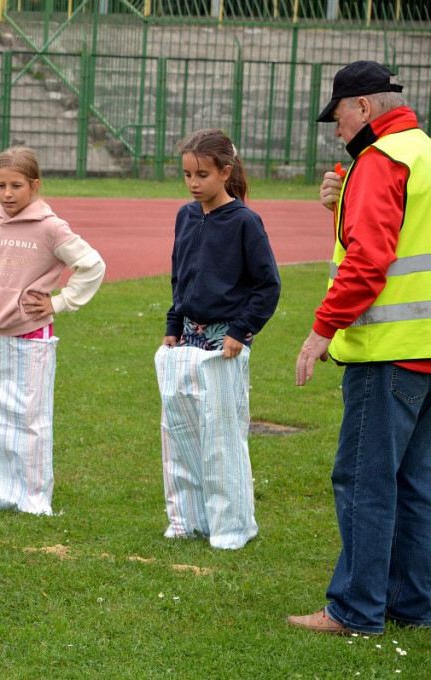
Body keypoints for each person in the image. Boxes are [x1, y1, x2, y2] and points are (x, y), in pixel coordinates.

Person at [288, 61, 431, 636]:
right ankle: (411, 603)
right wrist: (343, 199)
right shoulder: (420, 151)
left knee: (364, 480)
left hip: (384, 351)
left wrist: (322, 328)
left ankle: (355, 609)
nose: (337, 129)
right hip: (423, 350)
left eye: (340, 117)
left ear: (364, 109)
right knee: (414, 484)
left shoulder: (380, 162)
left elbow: (370, 261)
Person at [0, 146, 106, 515]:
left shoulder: (51, 227)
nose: (6, 194)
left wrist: (60, 302)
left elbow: (92, 266)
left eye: (16, 185)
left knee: (30, 419)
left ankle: (32, 497)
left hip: (33, 336)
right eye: (0, 185)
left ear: (33, 185)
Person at [154, 129, 281, 550]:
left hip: (225, 342)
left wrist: (241, 332)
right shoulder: (185, 215)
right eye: (187, 173)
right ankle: (188, 520)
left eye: (202, 174)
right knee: (181, 432)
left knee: (221, 437)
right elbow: (180, 276)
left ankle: (231, 528)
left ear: (225, 172)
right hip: (186, 339)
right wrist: (174, 325)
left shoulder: (245, 221)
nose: (193, 182)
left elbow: (267, 284)